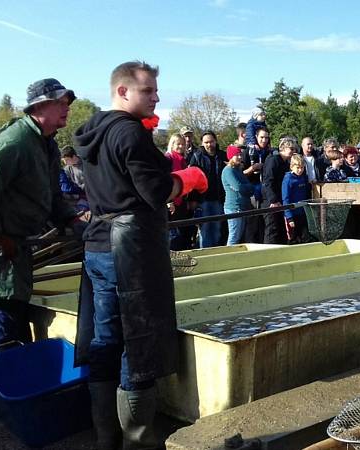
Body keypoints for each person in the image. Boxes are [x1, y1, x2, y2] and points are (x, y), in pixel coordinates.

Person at [73, 61, 208, 449]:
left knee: (105, 337)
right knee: (139, 341)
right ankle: (139, 442)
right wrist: (187, 180)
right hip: (129, 249)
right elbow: (154, 191)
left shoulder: (91, 131)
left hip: (98, 242)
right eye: (148, 91)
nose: (156, 97)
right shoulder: (129, 133)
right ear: (123, 91)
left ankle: (105, 439)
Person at [0, 78, 86, 355]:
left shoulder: (47, 145)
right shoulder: (16, 141)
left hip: (14, 245)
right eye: (60, 102)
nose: (66, 108)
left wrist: (71, 219)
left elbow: (52, 194)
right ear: (39, 106)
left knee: (5, 311)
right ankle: (3, 384)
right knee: (1, 317)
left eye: (67, 102)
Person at [189, 131, 228, 248]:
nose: (209, 144)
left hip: (218, 198)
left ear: (215, 141)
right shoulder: (197, 156)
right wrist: (192, 199)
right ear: (202, 143)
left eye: (211, 141)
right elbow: (192, 179)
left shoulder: (222, 156)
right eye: (206, 142)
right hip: (202, 199)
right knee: (205, 230)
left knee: (217, 229)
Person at [261, 136, 296, 244]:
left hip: (280, 200)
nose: (293, 151)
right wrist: (273, 200)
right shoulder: (273, 160)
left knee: (280, 229)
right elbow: (268, 181)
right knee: (272, 229)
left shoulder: (285, 163)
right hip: (271, 201)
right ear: (284, 148)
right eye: (291, 149)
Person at [242, 127, 271, 243]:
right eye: (262, 137)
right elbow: (240, 173)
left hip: (265, 192)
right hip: (252, 191)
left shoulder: (270, 153)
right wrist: (252, 168)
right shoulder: (247, 152)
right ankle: (250, 245)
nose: (264, 140)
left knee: (264, 221)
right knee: (252, 221)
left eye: (266, 138)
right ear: (256, 137)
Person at [165, 133, 193, 250]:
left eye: (183, 144)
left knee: (183, 233)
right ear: (172, 145)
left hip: (182, 200)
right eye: (178, 144)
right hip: (172, 202)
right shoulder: (168, 158)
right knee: (173, 236)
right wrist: (168, 201)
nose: (181, 146)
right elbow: (165, 181)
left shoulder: (183, 160)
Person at [222, 145, 254, 245]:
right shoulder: (228, 171)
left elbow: (248, 187)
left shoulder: (237, 170)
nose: (240, 157)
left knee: (239, 236)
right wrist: (246, 187)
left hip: (242, 207)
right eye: (237, 155)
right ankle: (228, 258)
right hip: (234, 208)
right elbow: (239, 187)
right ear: (231, 157)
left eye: (240, 155)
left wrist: (247, 187)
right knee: (234, 236)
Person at [282, 154, 312, 244]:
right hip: (292, 213)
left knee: (305, 237)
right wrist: (289, 217)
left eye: (302, 168)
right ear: (292, 167)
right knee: (293, 238)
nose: (300, 170)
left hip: (302, 212)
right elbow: (285, 198)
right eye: (298, 167)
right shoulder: (288, 180)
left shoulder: (303, 178)